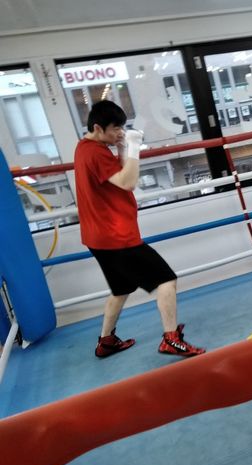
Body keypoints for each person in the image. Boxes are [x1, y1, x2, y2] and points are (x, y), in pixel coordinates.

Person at [74, 100, 205, 358]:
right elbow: (128, 181)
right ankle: (171, 339)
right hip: (117, 238)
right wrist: (134, 147)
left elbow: (118, 176)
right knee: (166, 280)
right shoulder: (96, 153)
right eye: (115, 129)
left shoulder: (85, 147)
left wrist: (123, 147)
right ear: (98, 128)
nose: (119, 132)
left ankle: (106, 341)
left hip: (98, 237)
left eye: (122, 128)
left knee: (121, 289)